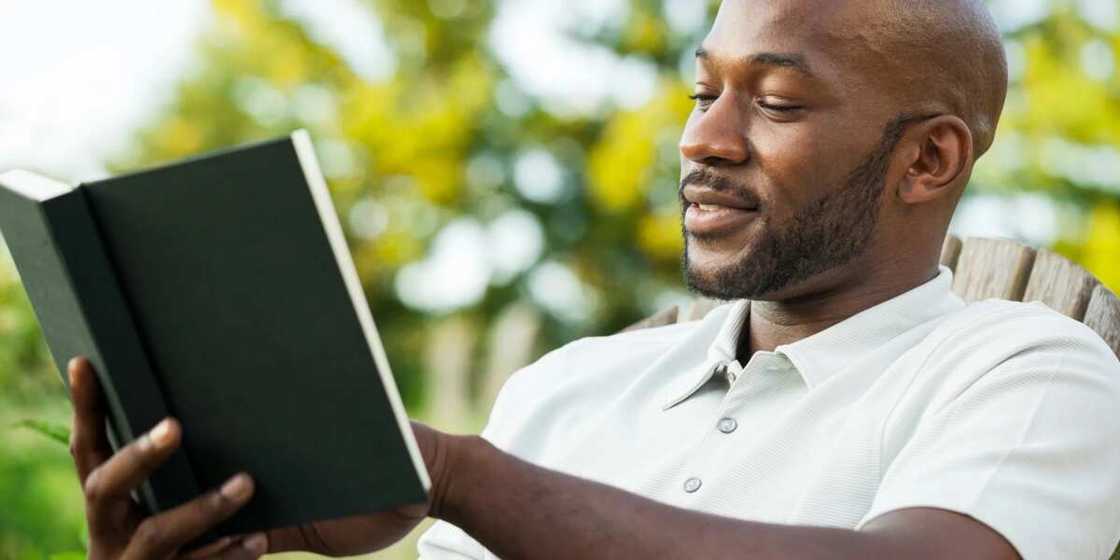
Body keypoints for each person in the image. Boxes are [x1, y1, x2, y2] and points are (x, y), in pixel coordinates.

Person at [67, 0, 1120, 558]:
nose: (702, 139)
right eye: (703, 90)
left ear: (926, 160)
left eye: (777, 103)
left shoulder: (1029, 372)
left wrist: (459, 474)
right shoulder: (564, 389)